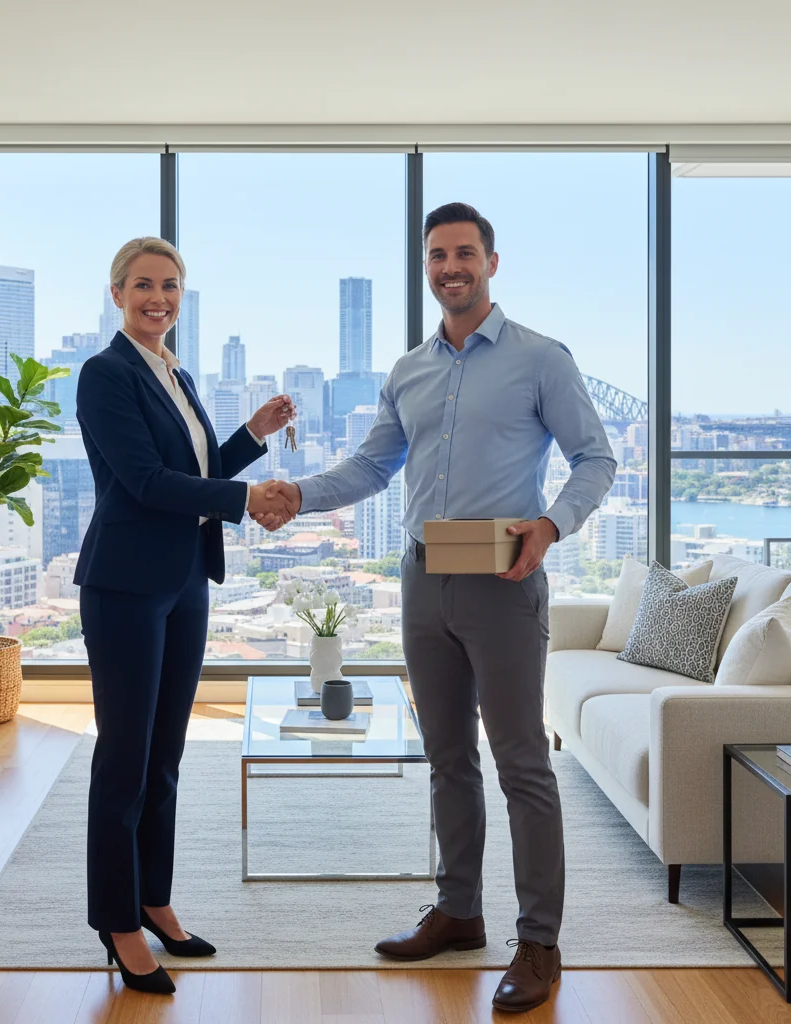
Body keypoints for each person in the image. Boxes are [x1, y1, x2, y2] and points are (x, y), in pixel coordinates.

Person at [256, 204, 616, 1013]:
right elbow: (372, 467)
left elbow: (596, 456)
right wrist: (297, 495)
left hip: (503, 576)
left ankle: (540, 942)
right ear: (426, 267)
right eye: (436, 256)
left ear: (491, 261)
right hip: (425, 577)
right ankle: (459, 911)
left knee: (522, 761)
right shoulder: (409, 370)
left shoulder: (541, 359)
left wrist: (552, 524)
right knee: (448, 756)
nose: (450, 267)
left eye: (464, 253)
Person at [74, 237, 298, 994]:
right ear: (117, 294)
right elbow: (142, 481)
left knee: (165, 756)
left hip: (184, 583)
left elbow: (194, 472)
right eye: (143, 285)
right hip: (126, 587)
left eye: (169, 286)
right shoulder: (105, 375)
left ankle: (154, 897)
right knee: (125, 760)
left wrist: (253, 436)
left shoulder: (176, 371)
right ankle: (118, 922)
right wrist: (243, 502)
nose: (157, 298)